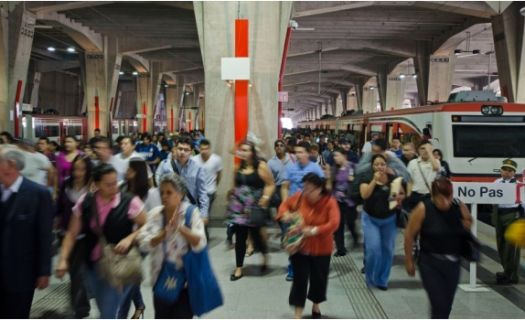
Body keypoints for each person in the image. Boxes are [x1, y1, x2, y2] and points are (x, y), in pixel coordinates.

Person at [56, 164, 147, 319]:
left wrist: (130, 237)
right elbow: (72, 233)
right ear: (96, 184)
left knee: (108, 311)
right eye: (108, 184)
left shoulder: (129, 201)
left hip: (118, 265)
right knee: (102, 305)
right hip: (92, 265)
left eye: (115, 182)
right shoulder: (86, 202)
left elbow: (147, 225)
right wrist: (63, 259)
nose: (114, 187)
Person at [137, 173, 207, 318]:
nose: (164, 196)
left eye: (169, 192)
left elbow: (200, 243)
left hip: (186, 283)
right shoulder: (155, 214)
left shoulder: (190, 213)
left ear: (180, 194)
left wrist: (180, 228)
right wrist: (162, 235)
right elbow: (143, 243)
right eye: (161, 192)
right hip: (161, 280)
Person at [404, 177, 473, 318]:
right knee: (439, 303)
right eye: (442, 198)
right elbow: (409, 235)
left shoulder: (458, 205)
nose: (447, 202)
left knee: (447, 304)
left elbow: (468, 220)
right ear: (433, 196)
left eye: (449, 197)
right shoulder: (423, 208)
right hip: (430, 262)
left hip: (453, 263)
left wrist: (466, 224)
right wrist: (409, 261)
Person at [0, 147, 54, 318]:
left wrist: (44, 271)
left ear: (11, 165)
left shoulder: (38, 194)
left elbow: (44, 235)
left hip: (22, 272)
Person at [277, 173, 340, 319]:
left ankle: (316, 304)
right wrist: (285, 214)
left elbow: (334, 223)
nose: (306, 192)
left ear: (319, 189)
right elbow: (284, 205)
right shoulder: (300, 197)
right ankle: (297, 315)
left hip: (321, 248)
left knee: (319, 279)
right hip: (300, 247)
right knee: (299, 280)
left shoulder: (329, 202)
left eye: (309, 189)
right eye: (304, 188)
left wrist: (314, 230)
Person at [227, 140, 275, 281]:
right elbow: (235, 186)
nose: (244, 152)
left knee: (257, 237)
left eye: (247, 150)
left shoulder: (261, 166)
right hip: (240, 209)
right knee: (240, 238)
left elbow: (271, 184)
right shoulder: (237, 167)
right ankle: (239, 268)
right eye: (242, 150)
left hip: (255, 207)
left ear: (253, 152)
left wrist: (266, 197)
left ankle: (265, 258)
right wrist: (232, 197)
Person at [118, 158, 160, 319]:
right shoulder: (123, 188)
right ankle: (140, 306)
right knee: (131, 276)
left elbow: (155, 218)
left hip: (141, 241)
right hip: (124, 238)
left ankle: (120, 315)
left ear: (137, 172)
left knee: (127, 280)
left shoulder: (151, 193)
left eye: (129, 169)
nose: (126, 172)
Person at [281, 141, 325, 281]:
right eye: (296, 152)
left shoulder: (315, 168)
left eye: (301, 152)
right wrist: (285, 205)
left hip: (311, 210)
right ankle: (292, 269)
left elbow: (322, 190)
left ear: (307, 153)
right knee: (294, 239)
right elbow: (285, 187)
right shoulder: (290, 168)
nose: (298, 155)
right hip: (295, 211)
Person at [360, 154, 405, 290]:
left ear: (386, 166)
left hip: (389, 219)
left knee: (387, 250)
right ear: (372, 166)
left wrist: (398, 198)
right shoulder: (366, 177)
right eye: (377, 164)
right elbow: (365, 194)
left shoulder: (393, 179)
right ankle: (370, 276)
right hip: (370, 219)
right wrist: (374, 181)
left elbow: (399, 196)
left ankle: (382, 280)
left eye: (382, 164)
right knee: (373, 249)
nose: (380, 167)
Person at [56, 155, 93, 318]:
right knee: (73, 272)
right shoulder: (66, 184)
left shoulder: (93, 187)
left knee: (79, 273)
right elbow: (59, 205)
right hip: (66, 234)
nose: (78, 173)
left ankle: (81, 309)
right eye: (76, 168)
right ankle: (80, 303)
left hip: (85, 236)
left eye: (82, 169)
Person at [155, 137, 210, 225]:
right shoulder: (165, 165)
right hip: (169, 209)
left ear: (191, 152)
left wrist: (204, 215)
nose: (182, 152)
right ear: (175, 149)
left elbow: (202, 193)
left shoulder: (198, 168)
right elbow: (159, 185)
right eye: (180, 149)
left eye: (186, 150)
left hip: (189, 210)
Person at [492, 159, 522, 285]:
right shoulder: (496, 182)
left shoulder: (519, 184)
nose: (507, 172)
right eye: (504, 169)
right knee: (501, 243)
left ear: (514, 172)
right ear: (501, 170)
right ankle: (506, 270)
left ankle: (512, 274)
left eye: (510, 170)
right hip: (499, 214)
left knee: (512, 246)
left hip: (513, 214)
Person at [327, 148, 358, 256]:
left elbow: (358, 181)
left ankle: (355, 236)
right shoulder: (334, 168)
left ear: (344, 156)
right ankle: (341, 249)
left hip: (350, 201)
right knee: (338, 225)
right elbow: (330, 185)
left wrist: (353, 179)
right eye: (334, 156)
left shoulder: (352, 166)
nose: (335, 158)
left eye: (337, 155)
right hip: (337, 201)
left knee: (350, 222)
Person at [406, 141, 440, 211]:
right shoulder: (412, 163)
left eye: (428, 149)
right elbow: (410, 181)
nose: (425, 151)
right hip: (415, 195)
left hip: (429, 195)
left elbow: (436, 168)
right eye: (422, 148)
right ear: (418, 150)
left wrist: (430, 152)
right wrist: (408, 195)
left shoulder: (436, 161)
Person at [192, 139, 223, 210]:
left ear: (209, 149)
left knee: (205, 214)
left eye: (206, 149)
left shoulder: (216, 159)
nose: (204, 151)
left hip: (210, 192)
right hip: (197, 192)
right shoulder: (194, 160)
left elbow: (219, 174)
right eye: (202, 149)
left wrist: (214, 186)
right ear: (199, 149)